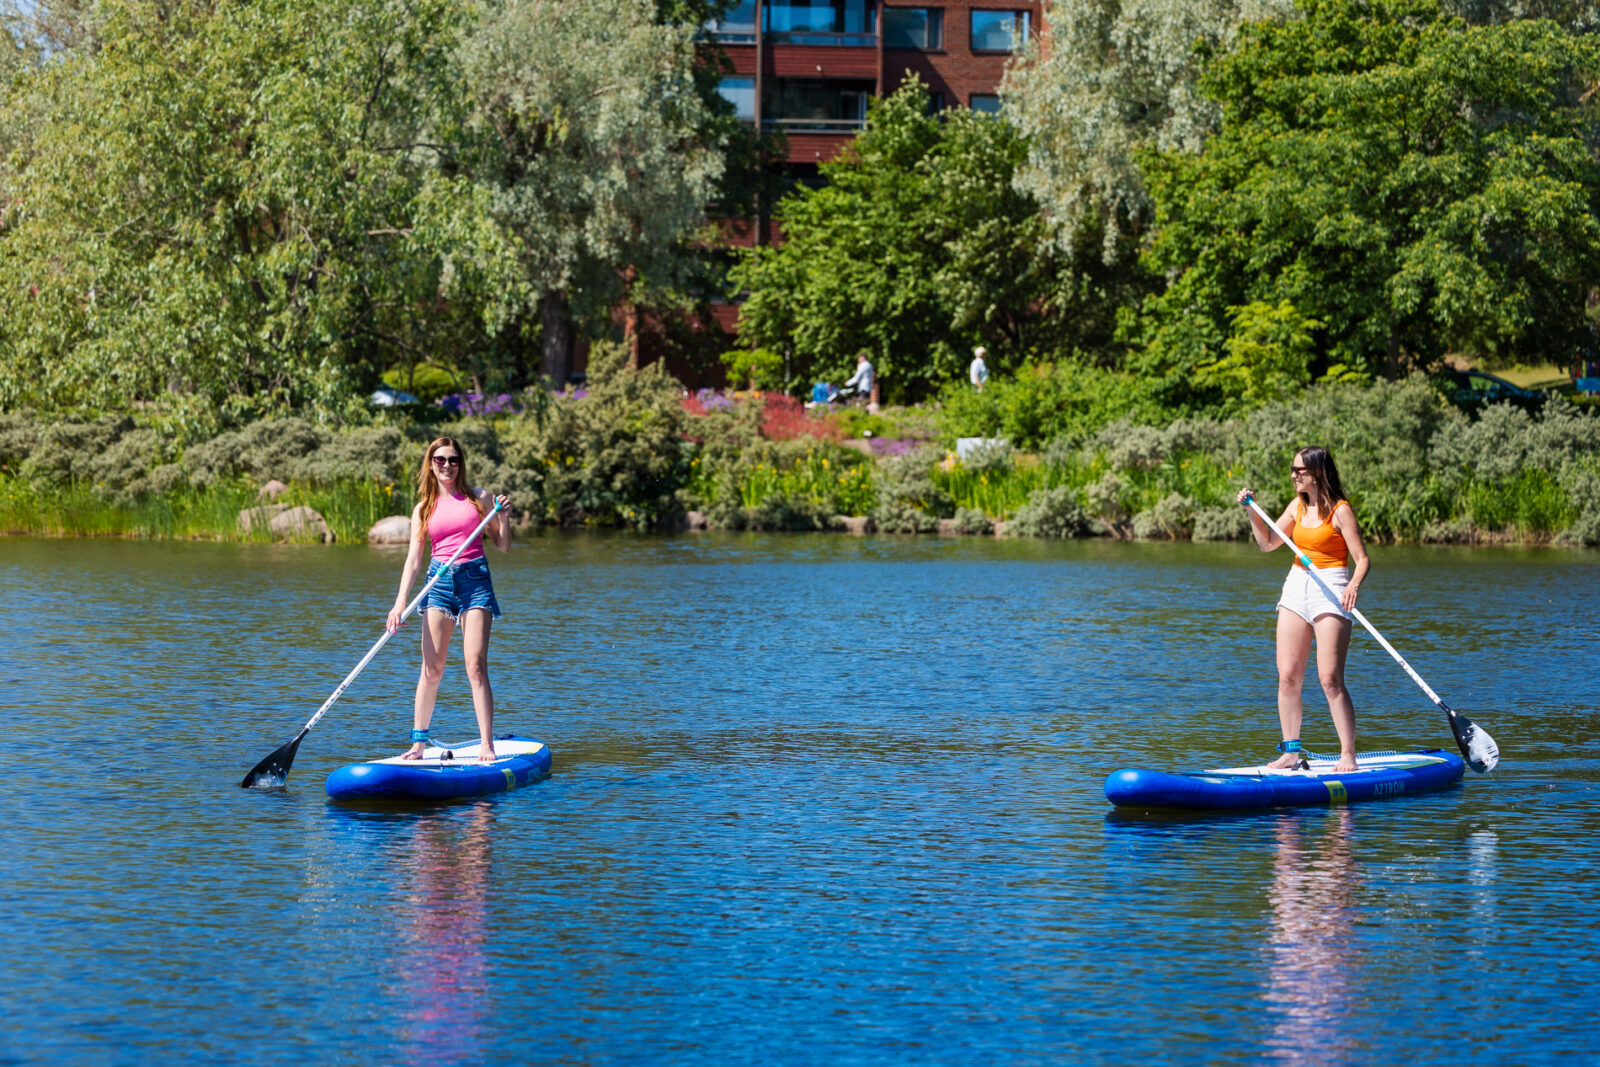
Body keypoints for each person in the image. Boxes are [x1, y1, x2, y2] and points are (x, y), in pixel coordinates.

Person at [1236, 446, 1371, 773]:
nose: (1294, 475)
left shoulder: (1340, 511)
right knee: (1287, 677)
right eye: (1293, 470)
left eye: (1300, 471)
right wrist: (1252, 511)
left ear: (1318, 473)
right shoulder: (1296, 507)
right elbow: (1267, 543)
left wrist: (1353, 585)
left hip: (1332, 586)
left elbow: (1363, 560)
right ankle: (1291, 753)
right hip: (1297, 585)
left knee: (1329, 679)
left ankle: (1348, 754)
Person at [387, 437, 511, 762]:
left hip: (475, 582)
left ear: (460, 463)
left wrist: (504, 517)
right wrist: (400, 603)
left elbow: (503, 544)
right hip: (438, 584)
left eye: (453, 459)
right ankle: (418, 745)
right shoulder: (423, 509)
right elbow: (414, 560)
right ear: (431, 464)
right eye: (440, 459)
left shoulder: (479, 498)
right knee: (432, 668)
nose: (447, 465)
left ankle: (487, 744)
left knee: (475, 666)